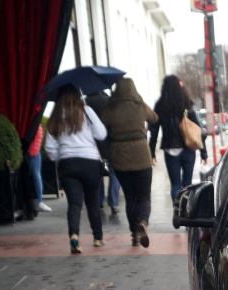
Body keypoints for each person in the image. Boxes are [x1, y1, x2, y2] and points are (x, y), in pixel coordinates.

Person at [44, 85, 107, 255]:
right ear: (78, 95)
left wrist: (61, 155)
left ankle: (74, 236)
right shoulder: (86, 111)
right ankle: (98, 238)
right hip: (90, 163)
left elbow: (49, 148)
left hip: (68, 164)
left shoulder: (56, 116)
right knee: (93, 202)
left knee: (74, 204)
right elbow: (102, 134)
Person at [102, 77, 159, 248]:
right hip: (142, 155)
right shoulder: (139, 105)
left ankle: (134, 234)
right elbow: (155, 118)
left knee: (130, 197)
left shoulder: (110, 108)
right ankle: (143, 221)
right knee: (144, 196)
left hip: (119, 157)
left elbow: (101, 125)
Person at [150, 75, 207, 223]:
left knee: (175, 184)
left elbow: (154, 131)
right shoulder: (186, 103)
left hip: (170, 149)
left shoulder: (160, 105)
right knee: (187, 184)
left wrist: (151, 152)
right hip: (188, 148)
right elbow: (198, 130)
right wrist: (203, 152)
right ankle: (185, 216)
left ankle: (177, 213)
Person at [86, 88, 122, 220]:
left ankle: (99, 201)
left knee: (97, 175)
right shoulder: (109, 101)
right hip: (111, 142)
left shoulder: (86, 103)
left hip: (94, 144)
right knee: (115, 173)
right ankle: (114, 203)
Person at [27, 124, 51, 213]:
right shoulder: (37, 124)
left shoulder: (34, 124)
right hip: (34, 152)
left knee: (36, 176)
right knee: (37, 176)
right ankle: (39, 201)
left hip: (33, 152)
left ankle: (39, 201)